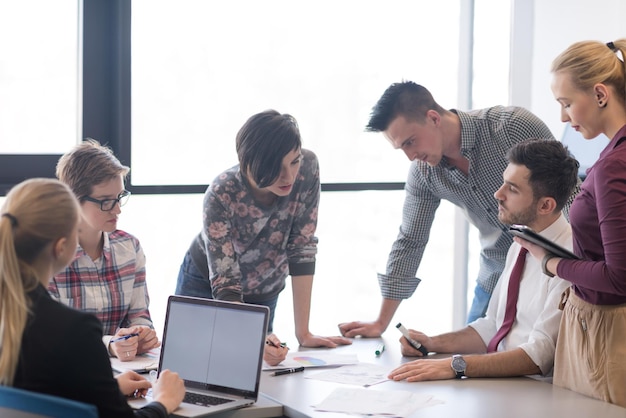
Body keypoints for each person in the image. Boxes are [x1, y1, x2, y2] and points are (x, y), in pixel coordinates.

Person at [339, 81, 576, 339]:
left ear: (433, 118)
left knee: (553, 362)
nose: (410, 156)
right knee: (468, 362)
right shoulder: (424, 173)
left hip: (554, 272)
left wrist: (585, 270)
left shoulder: (509, 127)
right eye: (402, 148)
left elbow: (570, 193)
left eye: (410, 142)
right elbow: (410, 240)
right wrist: (381, 322)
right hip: (496, 276)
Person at [387, 138, 579, 382]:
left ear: (545, 205)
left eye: (512, 189)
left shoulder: (569, 260)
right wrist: (432, 343)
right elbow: (493, 326)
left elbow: (539, 356)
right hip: (502, 384)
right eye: (503, 182)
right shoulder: (521, 243)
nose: (498, 194)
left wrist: (456, 365)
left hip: (535, 391)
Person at [1, 178, 185, 417]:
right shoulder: (75, 330)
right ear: (62, 247)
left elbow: (38, 395)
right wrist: (163, 401)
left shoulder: (17, 318)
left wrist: (107, 390)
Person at [175, 109, 351, 360]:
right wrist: (251, 335)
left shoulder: (308, 167)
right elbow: (226, 282)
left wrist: (304, 333)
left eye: (294, 161)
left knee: (254, 363)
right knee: (190, 361)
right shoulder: (220, 191)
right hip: (207, 282)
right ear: (248, 162)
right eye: (276, 167)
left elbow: (302, 247)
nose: (289, 176)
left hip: (265, 285)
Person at [517, 39, 626, 408]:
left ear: (599, 94)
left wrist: (550, 263)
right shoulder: (612, 156)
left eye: (566, 103)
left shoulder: (614, 166)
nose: (563, 117)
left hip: (608, 335)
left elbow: (619, 277)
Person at [49, 139, 159, 362]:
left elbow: (139, 316)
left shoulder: (129, 248)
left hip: (123, 368)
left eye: (119, 197)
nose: (117, 209)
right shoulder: (48, 255)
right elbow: (52, 336)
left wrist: (140, 334)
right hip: (67, 371)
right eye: (105, 201)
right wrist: (110, 344)